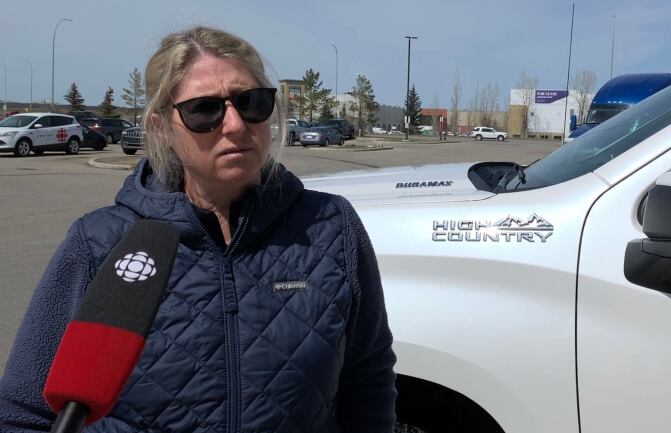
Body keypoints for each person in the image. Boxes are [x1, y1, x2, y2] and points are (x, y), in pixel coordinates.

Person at [0, 26, 396, 433]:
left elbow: (367, 376)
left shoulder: (331, 225)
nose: (236, 125)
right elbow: (24, 414)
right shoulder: (99, 242)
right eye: (204, 110)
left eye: (251, 102)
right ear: (162, 126)